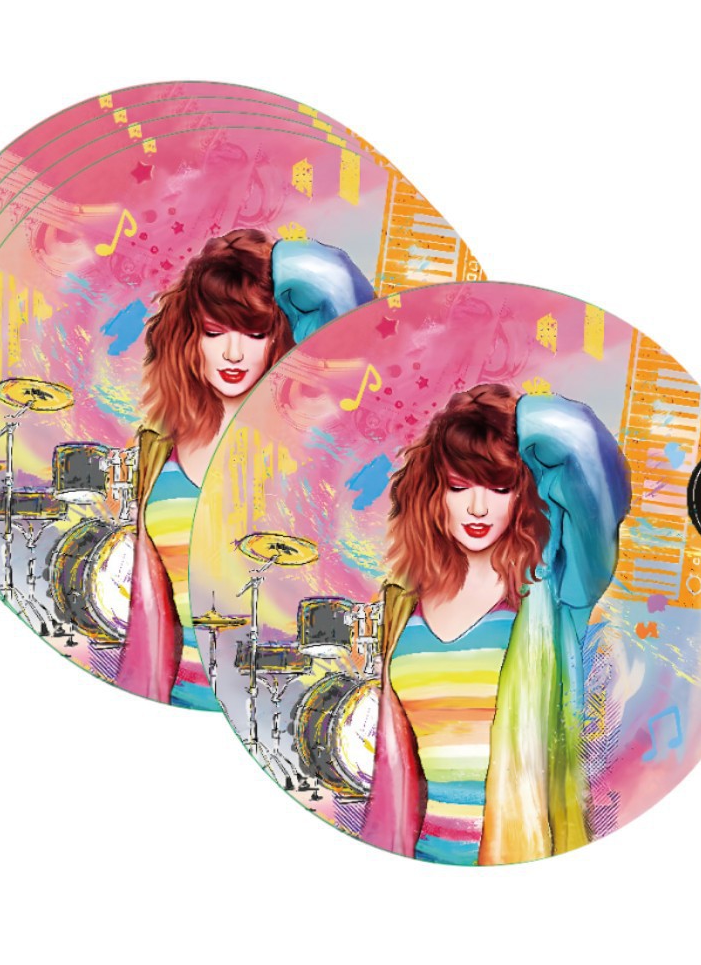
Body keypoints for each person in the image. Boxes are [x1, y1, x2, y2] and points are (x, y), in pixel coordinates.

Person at [360, 383, 631, 865]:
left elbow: (583, 447)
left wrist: (507, 419)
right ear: (433, 492)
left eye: (499, 487)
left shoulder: (555, 593)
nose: (478, 508)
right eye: (459, 486)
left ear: (524, 492)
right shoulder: (402, 606)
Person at [115, 228, 374, 709]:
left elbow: (347, 308)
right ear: (189, 337)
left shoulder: (307, 456)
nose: (233, 353)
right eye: (215, 332)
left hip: (277, 715)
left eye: (255, 334)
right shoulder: (157, 453)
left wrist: (278, 265)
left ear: (280, 337)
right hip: (169, 698)